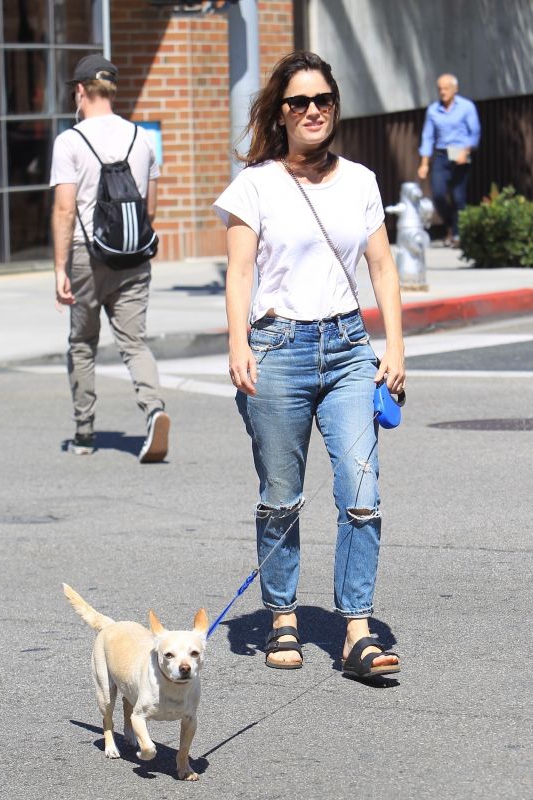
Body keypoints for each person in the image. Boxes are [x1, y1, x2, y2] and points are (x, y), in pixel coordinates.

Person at [214, 51, 405, 677]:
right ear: (282, 112)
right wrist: (238, 341)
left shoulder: (360, 181)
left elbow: (381, 267)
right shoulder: (256, 184)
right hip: (277, 350)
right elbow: (240, 271)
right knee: (281, 496)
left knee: (360, 488)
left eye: (322, 99)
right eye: (299, 102)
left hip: (350, 349)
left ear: (335, 107)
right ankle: (282, 616)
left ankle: (356, 630)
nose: (313, 111)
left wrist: (395, 346)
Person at [50, 54, 170, 462]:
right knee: (133, 342)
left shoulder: (70, 141)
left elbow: (65, 210)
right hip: (133, 255)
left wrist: (59, 269)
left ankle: (84, 432)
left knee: (82, 343)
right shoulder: (142, 138)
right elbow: (149, 209)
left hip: (87, 255)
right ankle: (154, 409)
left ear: (80, 91)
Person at [417, 73, 481, 247]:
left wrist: (465, 150)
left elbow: (474, 132)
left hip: (461, 152)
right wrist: (424, 164)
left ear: (455, 89)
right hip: (441, 154)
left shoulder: (466, 107)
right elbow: (428, 137)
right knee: (438, 194)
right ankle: (451, 225)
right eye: (440, 89)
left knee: (458, 196)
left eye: (446, 88)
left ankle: (458, 235)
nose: (443, 92)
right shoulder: (433, 110)